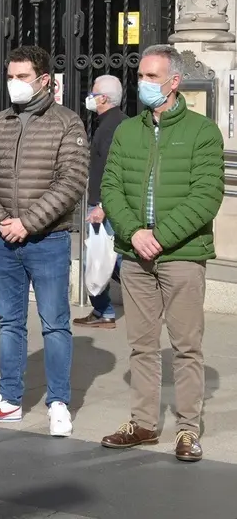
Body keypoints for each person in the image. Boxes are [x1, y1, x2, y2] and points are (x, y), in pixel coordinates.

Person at [99, 45, 223, 463]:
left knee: (187, 345)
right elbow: (110, 187)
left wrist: (160, 237)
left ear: (174, 82)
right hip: (136, 256)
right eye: (141, 76)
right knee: (142, 345)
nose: (143, 84)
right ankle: (144, 423)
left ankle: (188, 429)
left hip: (183, 256)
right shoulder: (127, 130)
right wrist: (134, 234)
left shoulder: (202, 132)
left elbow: (206, 196)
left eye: (152, 77)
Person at [0, 45, 87, 437]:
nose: (14, 83)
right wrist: (1, 220)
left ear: (43, 80)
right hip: (2, 240)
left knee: (55, 324)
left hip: (47, 241)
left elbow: (71, 182)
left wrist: (28, 223)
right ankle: (9, 399)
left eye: (23, 76)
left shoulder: (67, 124)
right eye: (11, 76)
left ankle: (58, 402)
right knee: (9, 324)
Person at [75, 74, 127, 329]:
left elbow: (113, 170)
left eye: (93, 94)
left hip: (104, 206)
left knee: (101, 261)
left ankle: (104, 311)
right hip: (104, 203)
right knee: (106, 259)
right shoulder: (114, 123)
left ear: (104, 98)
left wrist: (102, 207)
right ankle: (102, 311)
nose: (90, 98)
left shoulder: (112, 127)